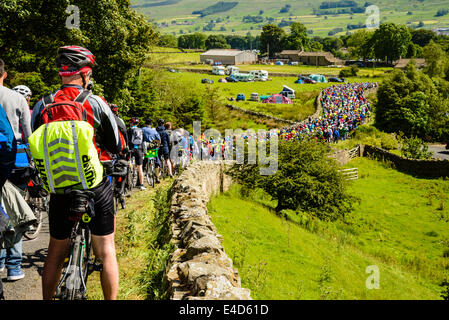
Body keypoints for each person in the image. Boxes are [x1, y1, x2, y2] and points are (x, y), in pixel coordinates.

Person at [30, 45, 121, 300]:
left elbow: (33, 139)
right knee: (106, 251)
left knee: (56, 252)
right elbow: (116, 143)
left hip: (59, 185)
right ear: (84, 74)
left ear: (62, 73)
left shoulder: (43, 104)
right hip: (94, 185)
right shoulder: (94, 102)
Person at [0, 60, 34, 282]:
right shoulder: (16, 98)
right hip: (15, 159)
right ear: (4, 74)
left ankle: (0, 261)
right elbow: (28, 133)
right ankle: (13, 266)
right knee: (14, 210)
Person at [127, 117, 146, 190]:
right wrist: (144, 152)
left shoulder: (129, 130)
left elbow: (127, 140)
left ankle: (128, 183)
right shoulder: (141, 130)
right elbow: (143, 141)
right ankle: (141, 184)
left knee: (128, 164)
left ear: (131, 123)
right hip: (139, 149)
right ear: (137, 123)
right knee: (140, 167)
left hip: (131, 149)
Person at [141, 118, 161, 183]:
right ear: (151, 124)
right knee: (157, 162)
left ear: (145, 123)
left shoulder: (142, 129)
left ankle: (139, 180)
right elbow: (158, 140)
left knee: (143, 163)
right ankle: (157, 177)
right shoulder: (154, 131)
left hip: (145, 148)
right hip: (153, 149)